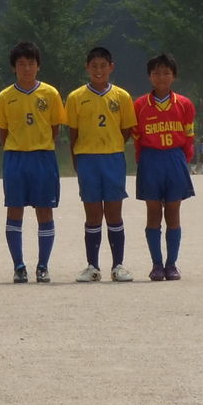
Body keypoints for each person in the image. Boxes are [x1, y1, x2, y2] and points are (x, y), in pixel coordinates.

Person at [0, 41, 66, 284]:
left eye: (31, 63)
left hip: (43, 157)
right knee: (15, 210)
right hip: (16, 157)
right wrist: (18, 147)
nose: (26, 69)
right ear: (14, 67)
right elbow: (2, 132)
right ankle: (19, 266)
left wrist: (39, 144)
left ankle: (43, 265)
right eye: (21, 64)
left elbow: (55, 128)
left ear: (38, 66)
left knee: (45, 210)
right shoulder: (5, 96)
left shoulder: (50, 93)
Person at [65, 46, 138, 282]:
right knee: (93, 214)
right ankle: (92, 266)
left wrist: (111, 145)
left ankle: (118, 265)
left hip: (113, 158)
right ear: (87, 68)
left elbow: (126, 129)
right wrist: (78, 158)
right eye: (94, 66)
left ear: (111, 68)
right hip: (87, 159)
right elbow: (73, 133)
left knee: (114, 214)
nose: (99, 70)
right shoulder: (76, 97)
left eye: (103, 66)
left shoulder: (122, 97)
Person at [133, 52, 196, 280]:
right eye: (157, 73)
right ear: (150, 76)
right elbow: (137, 139)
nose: (161, 77)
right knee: (153, 214)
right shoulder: (140, 105)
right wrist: (143, 161)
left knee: (173, 213)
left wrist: (183, 161)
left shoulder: (185, 104)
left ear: (174, 77)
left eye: (166, 73)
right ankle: (156, 264)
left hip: (175, 160)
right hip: (151, 160)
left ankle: (171, 264)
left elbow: (189, 137)